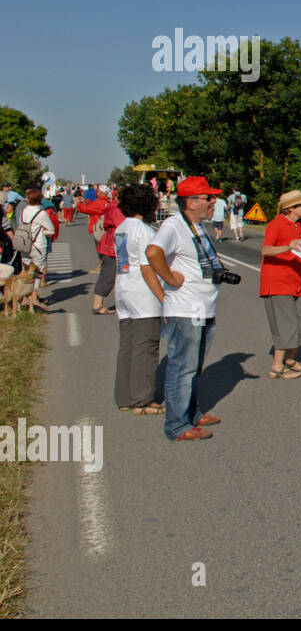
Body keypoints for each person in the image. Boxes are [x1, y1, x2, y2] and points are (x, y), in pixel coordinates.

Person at [145, 176, 228, 442]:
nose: (213, 202)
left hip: (204, 307)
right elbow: (152, 253)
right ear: (191, 202)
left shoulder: (197, 226)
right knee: (182, 368)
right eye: (208, 198)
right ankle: (177, 426)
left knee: (194, 366)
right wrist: (169, 279)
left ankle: (191, 413)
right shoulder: (173, 225)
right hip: (186, 309)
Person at [114, 184, 165, 414]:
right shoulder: (145, 231)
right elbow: (147, 269)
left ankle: (124, 395)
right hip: (143, 294)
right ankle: (143, 399)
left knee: (128, 346)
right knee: (146, 347)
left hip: (124, 289)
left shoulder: (121, 228)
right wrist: (164, 297)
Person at [260, 190, 301, 380]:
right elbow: (265, 250)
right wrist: (288, 246)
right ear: (291, 208)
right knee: (287, 326)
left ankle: (290, 360)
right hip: (277, 282)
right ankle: (276, 367)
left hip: (295, 283)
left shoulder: (298, 227)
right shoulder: (276, 225)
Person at [77, 188, 125, 315]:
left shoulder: (110, 205)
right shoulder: (116, 208)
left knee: (109, 273)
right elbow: (121, 225)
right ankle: (97, 305)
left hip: (108, 243)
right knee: (109, 274)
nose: (96, 193)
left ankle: (103, 303)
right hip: (113, 245)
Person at [15, 186, 56, 311]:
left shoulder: (24, 210)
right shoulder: (41, 213)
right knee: (38, 272)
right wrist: (43, 231)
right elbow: (51, 230)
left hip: (24, 244)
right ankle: (34, 298)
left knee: (25, 271)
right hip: (38, 246)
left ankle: (23, 298)